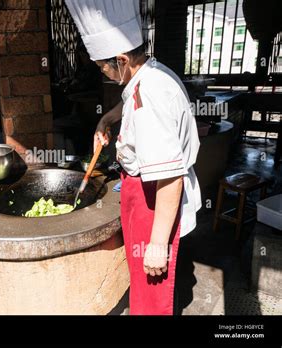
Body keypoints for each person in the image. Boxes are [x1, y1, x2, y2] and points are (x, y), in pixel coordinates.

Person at [65, 0, 202, 315]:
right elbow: (130, 99)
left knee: (153, 292)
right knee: (148, 287)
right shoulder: (151, 74)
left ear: (122, 59)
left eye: (104, 67)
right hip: (143, 195)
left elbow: (170, 177)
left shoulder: (151, 97)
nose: (104, 73)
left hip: (154, 199)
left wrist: (156, 244)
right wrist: (109, 119)